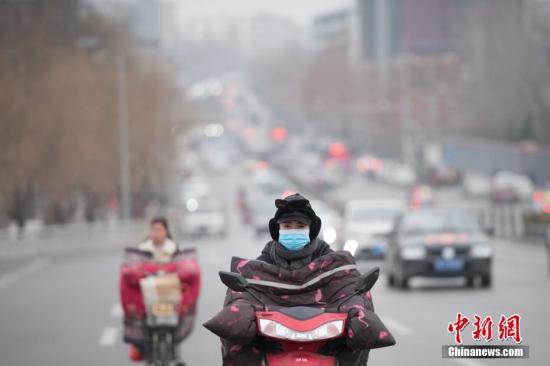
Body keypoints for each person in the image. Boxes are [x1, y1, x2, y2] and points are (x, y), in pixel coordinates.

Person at [204, 193, 395, 365]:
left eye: (300, 226)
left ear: (310, 230)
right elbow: (243, 294)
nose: (293, 232)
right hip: (271, 341)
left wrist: (355, 310)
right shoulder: (259, 267)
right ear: (278, 230)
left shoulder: (334, 263)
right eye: (287, 226)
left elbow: (350, 288)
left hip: (326, 341)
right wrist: (243, 310)